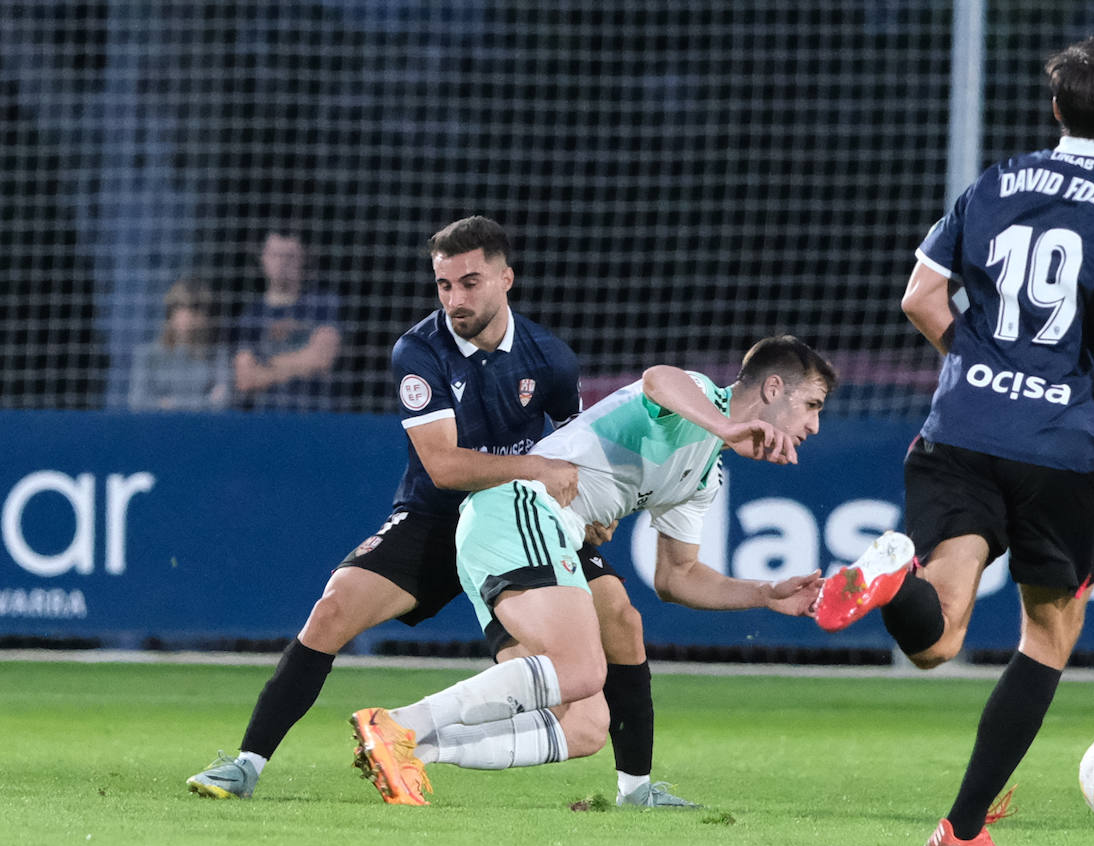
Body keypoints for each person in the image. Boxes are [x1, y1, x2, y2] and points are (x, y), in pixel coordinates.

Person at [813, 35, 1094, 846]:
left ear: (1056, 110)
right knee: (1047, 636)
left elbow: (921, 295)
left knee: (940, 636)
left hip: (960, 430)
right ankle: (961, 828)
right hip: (1063, 448)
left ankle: (892, 574)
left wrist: (984, 369)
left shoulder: (995, 181)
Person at [187, 215, 600, 799]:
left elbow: (576, 452)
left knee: (593, 692)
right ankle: (246, 765)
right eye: (444, 285)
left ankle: (418, 745)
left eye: (470, 282)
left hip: (514, 525)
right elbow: (446, 466)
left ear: (507, 279)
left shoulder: (550, 357)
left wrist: (591, 507)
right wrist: (539, 468)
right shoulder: (419, 349)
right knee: (332, 610)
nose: (455, 299)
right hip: (435, 517)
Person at [348, 335, 837, 806]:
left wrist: (765, 593)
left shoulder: (706, 472)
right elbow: (657, 378)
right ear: (773, 389)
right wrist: (726, 426)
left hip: (533, 532)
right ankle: (400, 722)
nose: (815, 425)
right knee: (581, 668)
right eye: (813, 404)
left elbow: (676, 575)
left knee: (585, 724)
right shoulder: (698, 396)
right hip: (520, 506)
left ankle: (408, 746)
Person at [231, 228, 344, 411]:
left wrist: (268, 363)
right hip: (266, 416)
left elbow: (321, 359)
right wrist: (301, 361)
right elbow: (245, 379)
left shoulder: (322, 304)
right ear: (263, 258)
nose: (282, 263)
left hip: (316, 414)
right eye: (275, 255)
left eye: (289, 256)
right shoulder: (251, 315)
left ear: (303, 259)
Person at [128, 277, 232, 411]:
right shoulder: (147, 354)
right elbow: (138, 402)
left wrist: (168, 404)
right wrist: (202, 402)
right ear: (170, 314)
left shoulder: (217, 354)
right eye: (181, 308)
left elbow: (222, 401)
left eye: (195, 310)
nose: (187, 316)